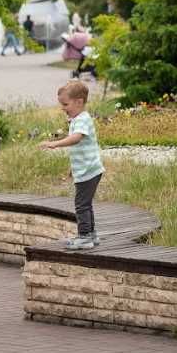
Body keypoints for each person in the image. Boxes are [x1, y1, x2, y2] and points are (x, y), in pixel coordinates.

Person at [39, 80, 104, 250]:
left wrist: (56, 144)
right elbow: (80, 149)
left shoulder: (82, 119)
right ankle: (91, 234)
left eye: (65, 104)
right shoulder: (77, 118)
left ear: (79, 102)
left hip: (89, 171)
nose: (63, 108)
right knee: (86, 203)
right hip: (88, 170)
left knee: (81, 204)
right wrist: (72, 168)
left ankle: (84, 237)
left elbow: (76, 138)